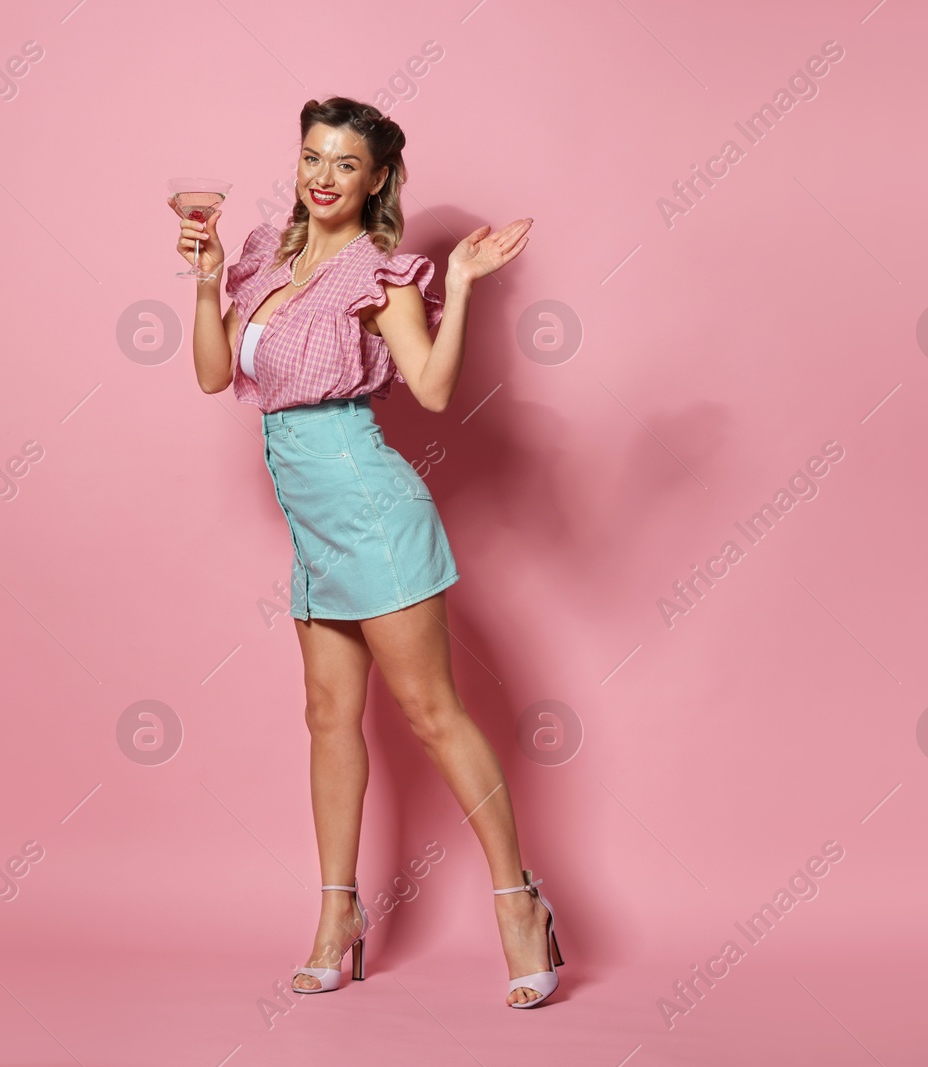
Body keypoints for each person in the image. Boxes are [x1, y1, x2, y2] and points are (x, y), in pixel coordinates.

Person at [170, 96, 562, 1008]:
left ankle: (520, 903)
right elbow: (215, 373)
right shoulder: (267, 254)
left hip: (374, 509)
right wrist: (205, 278)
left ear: (378, 178)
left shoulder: (379, 275)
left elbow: (428, 388)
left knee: (431, 713)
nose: (324, 175)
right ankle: (336, 917)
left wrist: (458, 286)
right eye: (313, 156)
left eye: (347, 163)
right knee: (326, 717)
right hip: (314, 526)